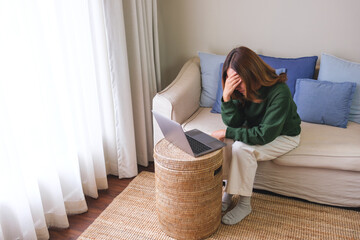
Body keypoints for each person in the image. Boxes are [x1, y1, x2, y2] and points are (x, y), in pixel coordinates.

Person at [211, 46, 301, 225]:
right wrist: (227, 96)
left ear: (253, 73)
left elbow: (264, 135)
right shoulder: (241, 90)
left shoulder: (279, 92)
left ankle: (244, 203)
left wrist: (227, 132)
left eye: (239, 80)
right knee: (228, 141)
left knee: (241, 148)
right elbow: (235, 123)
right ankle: (228, 192)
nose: (237, 86)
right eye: (231, 81)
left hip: (283, 135)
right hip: (260, 129)